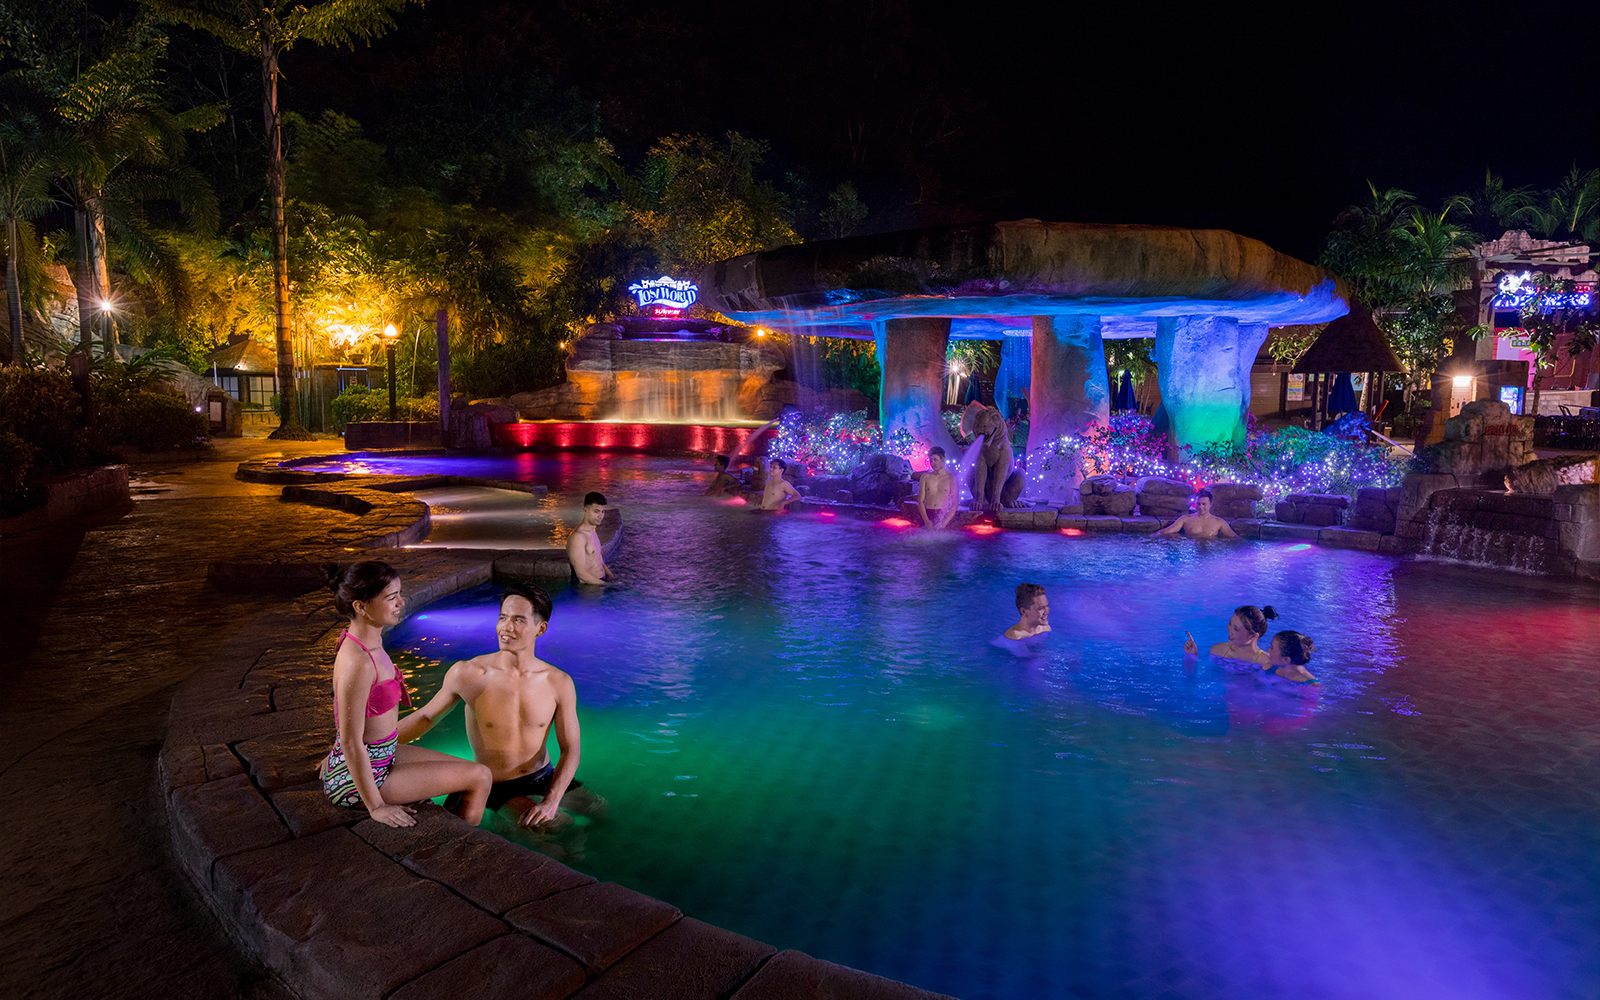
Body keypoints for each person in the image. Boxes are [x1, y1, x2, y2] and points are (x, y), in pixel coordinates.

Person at [401, 584, 595, 828]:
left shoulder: (558, 682)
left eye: (518, 620)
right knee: (559, 827)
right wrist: (373, 745)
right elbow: (426, 717)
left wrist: (552, 800)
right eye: (502, 617)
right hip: (495, 784)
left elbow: (571, 749)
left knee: (601, 812)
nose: (506, 627)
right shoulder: (469, 673)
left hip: (542, 775)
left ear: (540, 628)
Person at [318, 561, 492, 828]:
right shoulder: (359, 662)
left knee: (467, 770)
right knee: (480, 776)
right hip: (362, 779)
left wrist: (337, 756)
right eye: (391, 597)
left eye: (399, 593)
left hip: (382, 754)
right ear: (360, 606)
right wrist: (376, 807)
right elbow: (350, 740)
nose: (401, 602)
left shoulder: (370, 642)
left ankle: (453, 830)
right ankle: (459, 854)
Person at [1182, 605, 1278, 665]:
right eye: (1230, 624)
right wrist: (1192, 657)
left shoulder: (1266, 662)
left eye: (1236, 629)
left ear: (1253, 636)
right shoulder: (1218, 650)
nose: (1229, 629)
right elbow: (1194, 680)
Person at [567, 492, 614, 585]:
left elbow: (600, 562)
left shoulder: (592, 532)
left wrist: (613, 579)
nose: (600, 516)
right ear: (585, 510)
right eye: (596, 511)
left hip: (600, 582)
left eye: (602, 511)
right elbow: (581, 573)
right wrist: (607, 586)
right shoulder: (578, 537)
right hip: (590, 589)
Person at [1156, 489, 1240, 539]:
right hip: (1192, 553)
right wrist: (1151, 537)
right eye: (1198, 504)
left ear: (1211, 504)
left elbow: (1234, 537)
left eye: (1204, 504)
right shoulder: (1185, 519)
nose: (1200, 507)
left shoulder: (1219, 522)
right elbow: (1168, 530)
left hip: (1211, 553)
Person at [916, 446, 957, 529]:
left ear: (943, 459)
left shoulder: (951, 479)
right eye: (931, 460)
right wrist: (926, 520)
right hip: (927, 514)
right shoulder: (925, 477)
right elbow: (920, 501)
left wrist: (944, 524)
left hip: (943, 515)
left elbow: (955, 504)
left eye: (935, 460)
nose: (932, 463)